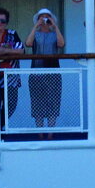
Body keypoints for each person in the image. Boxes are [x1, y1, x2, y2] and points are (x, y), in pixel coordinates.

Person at [25, 8, 66, 139]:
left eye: (47, 17)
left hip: (53, 72)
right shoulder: (35, 34)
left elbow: (61, 43)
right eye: (41, 18)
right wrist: (35, 27)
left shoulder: (55, 34)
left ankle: (50, 133)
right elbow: (28, 43)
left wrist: (55, 27)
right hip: (36, 72)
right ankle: (40, 133)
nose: (44, 20)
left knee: (53, 102)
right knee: (37, 103)